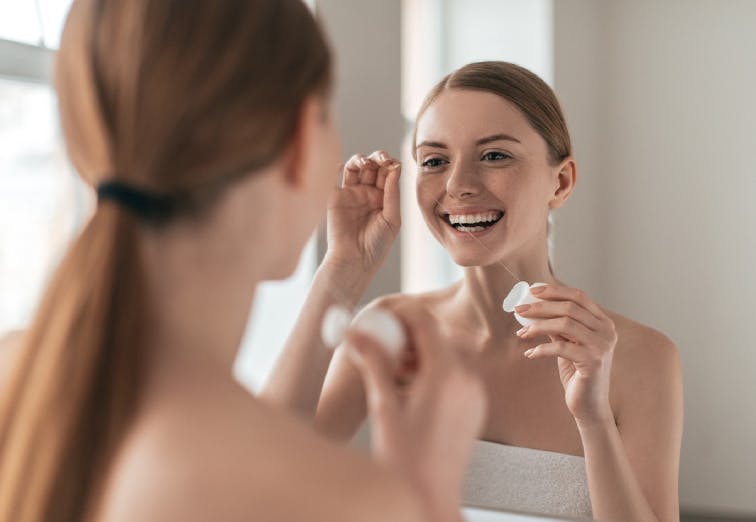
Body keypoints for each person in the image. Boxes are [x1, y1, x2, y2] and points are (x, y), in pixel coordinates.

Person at [0, 1, 487, 521]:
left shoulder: (21, 372)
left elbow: (246, 443)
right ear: (301, 140)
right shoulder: (355, 502)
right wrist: (429, 497)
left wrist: (342, 275)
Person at [264, 61, 684, 521]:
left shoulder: (640, 357)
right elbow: (255, 478)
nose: (459, 185)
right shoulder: (391, 333)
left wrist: (593, 418)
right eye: (435, 161)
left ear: (560, 182)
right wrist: (342, 270)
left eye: (494, 155)